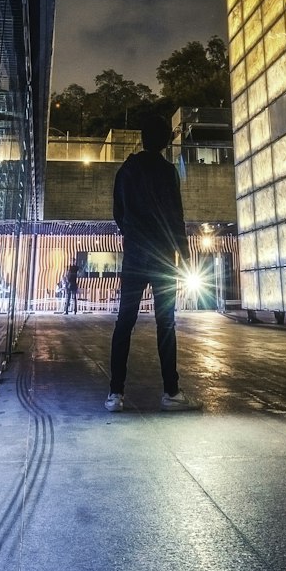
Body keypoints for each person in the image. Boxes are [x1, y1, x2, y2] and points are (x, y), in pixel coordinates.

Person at [106, 112, 195, 412]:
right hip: (161, 259)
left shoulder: (126, 171)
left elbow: (118, 213)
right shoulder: (168, 172)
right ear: (165, 141)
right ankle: (171, 392)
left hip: (134, 255)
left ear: (143, 139)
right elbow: (176, 218)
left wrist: (131, 233)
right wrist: (183, 254)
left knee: (124, 323)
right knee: (165, 325)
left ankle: (115, 393)